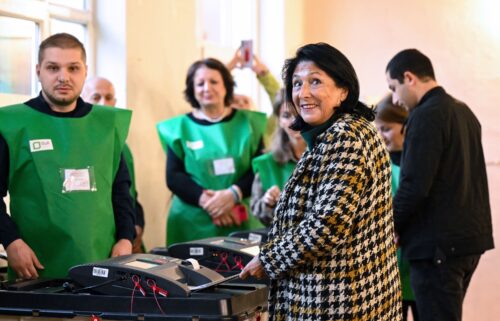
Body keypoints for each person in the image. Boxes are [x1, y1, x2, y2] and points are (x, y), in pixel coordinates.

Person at [240, 43, 402, 320]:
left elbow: (328, 224)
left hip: (337, 299)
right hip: (346, 294)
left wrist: (268, 260)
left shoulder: (345, 136)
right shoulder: (341, 132)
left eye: (315, 81)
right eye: (297, 83)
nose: (303, 93)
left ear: (343, 91)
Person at [0, 33, 135, 280]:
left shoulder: (107, 125)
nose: (63, 77)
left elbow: (121, 191)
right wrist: (11, 241)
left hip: (104, 265)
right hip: (34, 270)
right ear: (38, 71)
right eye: (53, 68)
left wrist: (126, 239)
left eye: (73, 68)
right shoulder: (11, 124)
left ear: (85, 71)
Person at [386, 49, 494, 321]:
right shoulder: (463, 111)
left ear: (409, 77)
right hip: (468, 242)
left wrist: (390, 227)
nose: (396, 99)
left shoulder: (425, 115)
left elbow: (414, 186)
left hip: (438, 246)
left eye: (394, 88)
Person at [156, 58, 267, 245]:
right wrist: (211, 204)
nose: (207, 88)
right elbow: (174, 176)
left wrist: (232, 195)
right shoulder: (177, 128)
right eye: (200, 83)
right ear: (192, 89)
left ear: (226, 85)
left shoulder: (249, 124)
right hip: (192, 223)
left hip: (239, 218)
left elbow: (259, 169)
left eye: (214, 82)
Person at [82, 76, 145, 253]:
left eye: (109, 98)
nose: (104, 103)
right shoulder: (79, 144)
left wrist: (137, 224)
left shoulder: (121, 144)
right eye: (96, 97)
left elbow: (129, 191)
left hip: (124, 237)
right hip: (97, 237)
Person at [375, 94, 418, 321]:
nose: (381, 137)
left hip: (418, 264)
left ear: (405, 125)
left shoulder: (421, 163)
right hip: (389, 271)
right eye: (378, 130)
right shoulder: (379, 163)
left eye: (386, 129)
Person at [250, 89, 306, 226]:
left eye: (299, 114)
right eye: (286, 116)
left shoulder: (327, 157)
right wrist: (267, 203)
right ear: (279, 121)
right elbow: (258, 213)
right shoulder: (265, 163)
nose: (294, 122)